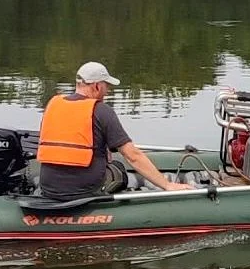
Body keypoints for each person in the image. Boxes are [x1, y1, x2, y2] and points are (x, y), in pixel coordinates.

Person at [37, 62, 193, 201]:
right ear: (96, 86)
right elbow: (132, 156)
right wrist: (167, 185)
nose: (108, 91)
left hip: (49, 187)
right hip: (83, 191)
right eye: (106, 86)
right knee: (119, 170)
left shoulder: (53, 105)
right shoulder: (101, 111)